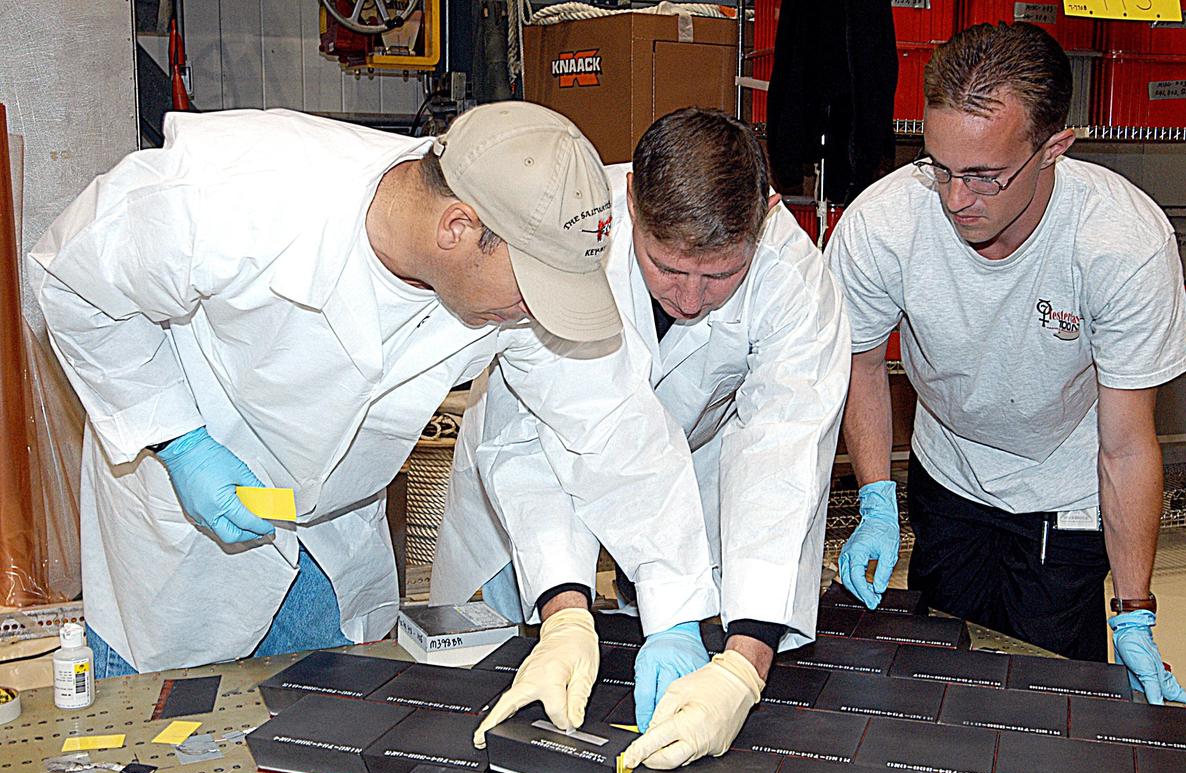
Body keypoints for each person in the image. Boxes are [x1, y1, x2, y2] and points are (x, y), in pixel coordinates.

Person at [31, 101, 717, 679]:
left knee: (313, 766)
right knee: (161, 754)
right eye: (533, 293)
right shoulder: (238, 195)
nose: (536, 314)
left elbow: (612, 426)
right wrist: (179, 440)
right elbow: (75, 282)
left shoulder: (502, 279)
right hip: (190, 530)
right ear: (458, 229)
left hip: (333, 540)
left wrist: (675, 615)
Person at [432, 107, 850, 768]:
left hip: (683, 483)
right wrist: (566, 611)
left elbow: (782, 458)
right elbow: (541, 441)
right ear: (631, 201)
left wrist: (744, 667)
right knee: (482, 713)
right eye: (666, 268)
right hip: (526, 482)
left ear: (765, 216)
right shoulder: (565, 232)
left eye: (718, 276)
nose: (688, 299)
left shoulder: (794, 284)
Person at [828, 22, 1186, 706]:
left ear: (1054, 148)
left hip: (1067, 487)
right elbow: (860, 363)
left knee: (1050, 702)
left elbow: (1124, 444)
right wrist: (876, 498)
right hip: (949, 471)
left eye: (983, 176)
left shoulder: (1120, 243)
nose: (955, 198)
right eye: (938, 166)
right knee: (939, 686)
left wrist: (1136, 609)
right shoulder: (885, 224)